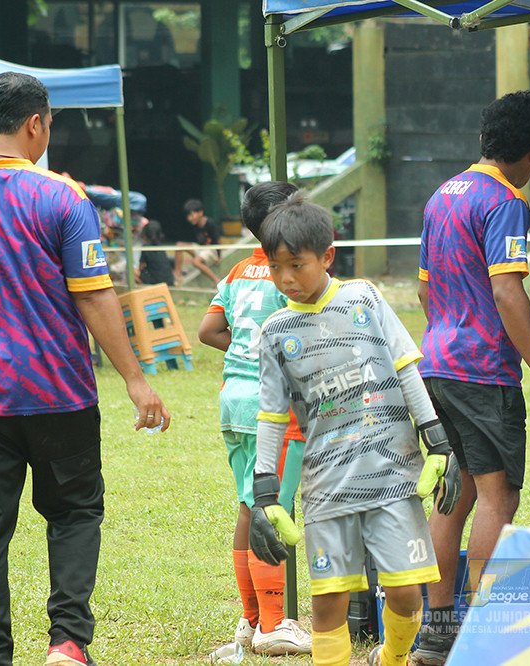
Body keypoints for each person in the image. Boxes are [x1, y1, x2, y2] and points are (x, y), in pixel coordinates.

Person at [0, 71, 170, 666]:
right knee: (73, 514)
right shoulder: (64, 198)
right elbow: (95, 296)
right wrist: (136, 379)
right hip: (59, 395)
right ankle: (67, 645)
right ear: (36, 124)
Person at [249, 192, 461, 666]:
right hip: (327, 488)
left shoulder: (363, 297)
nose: (285, 278)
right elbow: (269, 414)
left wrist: (438, 441)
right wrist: (264, 493)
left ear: (327, 256)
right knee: (328, 605)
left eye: (296, 265)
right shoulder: (275, 333)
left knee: (406, 594)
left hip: (393, 476)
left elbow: (406, 366)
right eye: (274, 266)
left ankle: (391, 659)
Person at [414, 91, 530, 666]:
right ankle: (481, 635)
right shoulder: (506, 201)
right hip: (484, 370)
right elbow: (508, 289)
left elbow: (426, 286)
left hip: (436, 362)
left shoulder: (443, 194)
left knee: (453, 493)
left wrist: (445, 338)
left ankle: (435, 634)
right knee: (496, 498)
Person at [197, 182, 311, 657]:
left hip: (233, 400)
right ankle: (274, 625)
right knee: (271, 508)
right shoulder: (291, 274)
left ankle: (250, 621)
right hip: (273, 410)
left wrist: (248, 355)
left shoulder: (239, 270)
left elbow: (208, 331)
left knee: (250, 505)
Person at [173, 198, 221, 284]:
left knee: (196, 262)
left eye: (192, 215)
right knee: (179, 245)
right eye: (188, 216)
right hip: (201, 249)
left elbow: (218, 240)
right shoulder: (194, 225)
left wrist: (219, 257)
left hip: (212, 250)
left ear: (200, 213)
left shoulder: (210, 224)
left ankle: (216, 280)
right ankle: (178, 274)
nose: (189, 218)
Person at [135, 219, 174, 286]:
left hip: (156, 281)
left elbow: (141, 266)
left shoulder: (146, 248)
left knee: (132, 271)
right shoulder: (160, 247)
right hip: (169, 280)